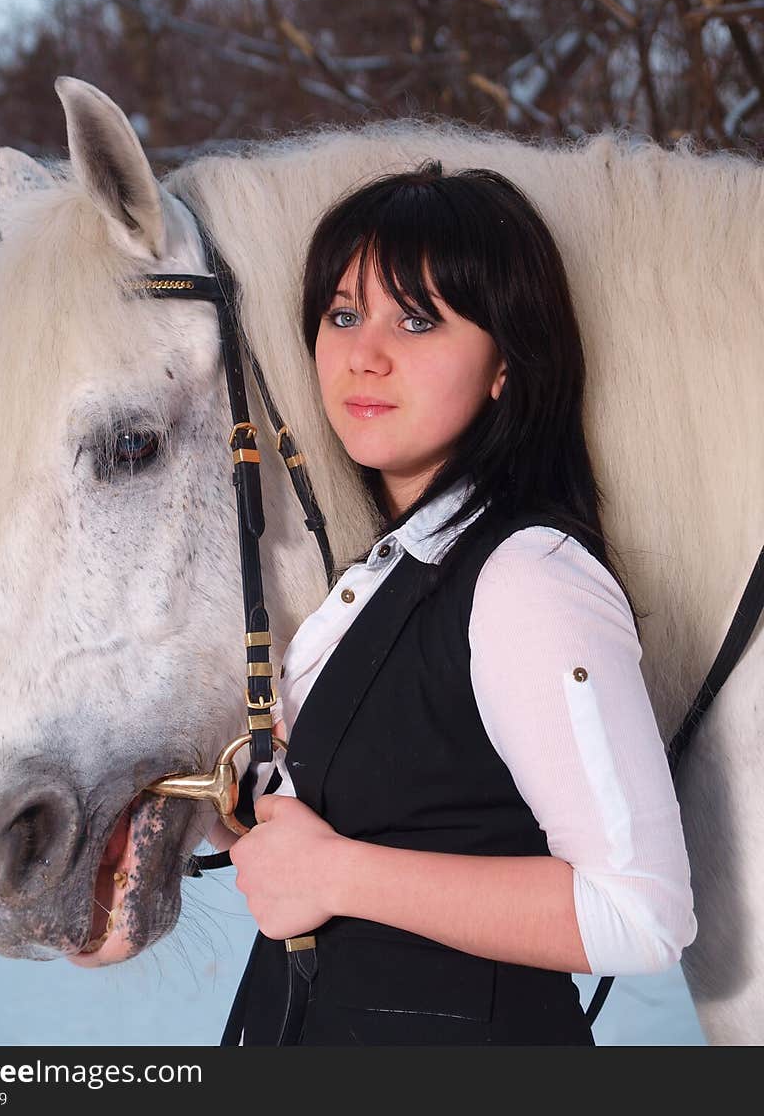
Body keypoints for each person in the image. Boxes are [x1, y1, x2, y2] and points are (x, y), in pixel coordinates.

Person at [211, 162, 697, 1046]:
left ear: (507, 360)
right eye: (345, 313)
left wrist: (337, 875)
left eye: (419, 318)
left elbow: (640, 910)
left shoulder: (528, 575)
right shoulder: (389, 573)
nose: (364, 352)